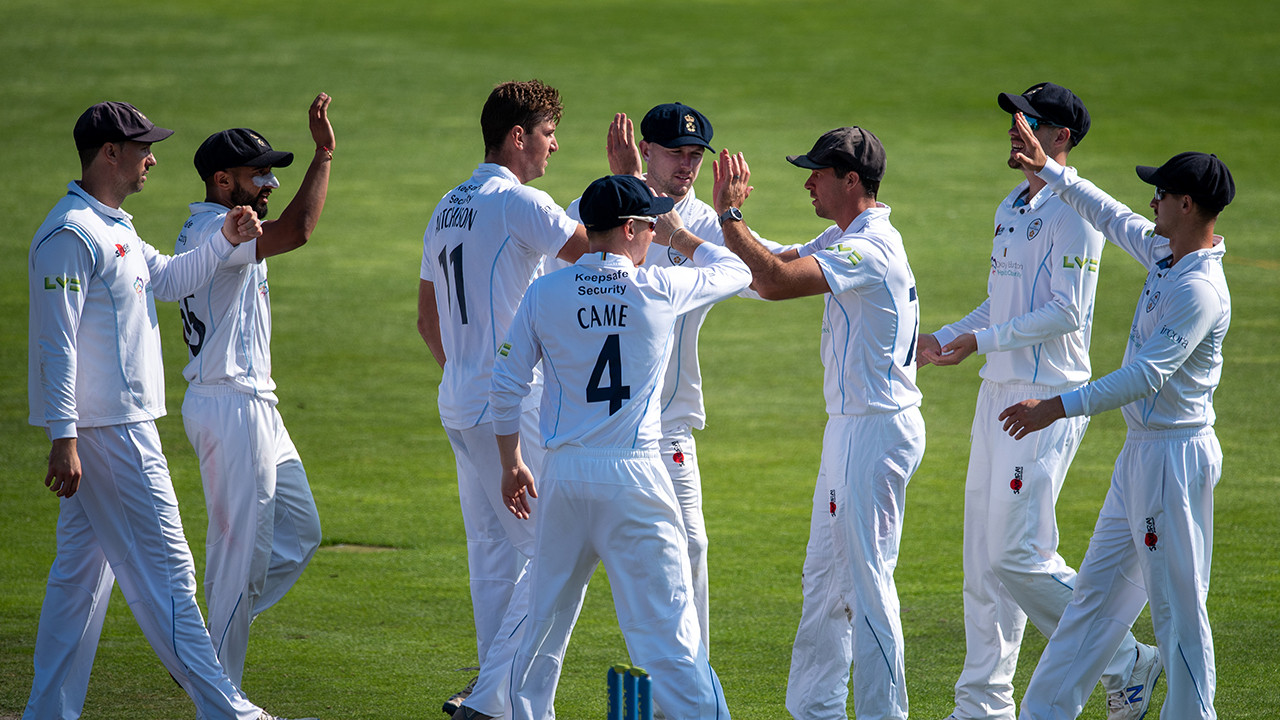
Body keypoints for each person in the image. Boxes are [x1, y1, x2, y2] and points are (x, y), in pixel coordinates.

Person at [25, 101, 309, 720]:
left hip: (117, 426)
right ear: (109, 154)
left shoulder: (115, 226)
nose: (151, 158)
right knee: (171, 576)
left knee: (78, 582)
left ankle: (48, 711)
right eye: (141, 148)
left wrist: (228, 239)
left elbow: (174, 278)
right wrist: (63, 436)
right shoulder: (70, 234)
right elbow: (57, 340)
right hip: (110, 433)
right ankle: (227, 711)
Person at [916, 82, 1160, 720]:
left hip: (1046, 401)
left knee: (1016, 556)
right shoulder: (1011, 205)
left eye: (1030, 121)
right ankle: (982, 705)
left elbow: (1065, 312)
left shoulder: (1074, 211)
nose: (1015, 128)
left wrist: (980, 337)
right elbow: (1001, 303)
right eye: (1015, 118)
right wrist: (947, 337)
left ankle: (1125, 659)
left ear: (1061, 138)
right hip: (995, 392)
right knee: (982, 560)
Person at [484, 173, 749, 720]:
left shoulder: (545, 291)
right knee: (666, 632)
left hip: (563, 474)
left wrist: (511, 462)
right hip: (634, 476)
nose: (655, 235)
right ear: (630, 229)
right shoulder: (658, 288)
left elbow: (506, 384)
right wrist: (683, 238)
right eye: (650, 226)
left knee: (540, 627)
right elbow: (737, 268)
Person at [1000, 115, 1234, 720]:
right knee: (1094, 602)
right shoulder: (1165, 251)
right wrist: (1048, 169)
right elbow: (1105, 211)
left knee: (1180, 609)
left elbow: (1145, 376)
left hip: (1175, 459)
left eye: (1160, 192)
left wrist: (1054, 407)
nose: (1150, 200)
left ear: (1187, 203)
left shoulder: (1200, 290)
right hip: (1141, 456)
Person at [717, 127, 925, 720]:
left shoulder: (871, 247)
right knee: (825, 579)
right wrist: (687, 231)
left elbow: (777, 282)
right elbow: (772, 263)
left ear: (851, 180)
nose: (807, 180)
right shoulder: (846, 235)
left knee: (866, 585)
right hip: (851, 429)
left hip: (877, 429)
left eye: (817, 172)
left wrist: (730, 215)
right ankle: (816, 710)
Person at [563, 102, 764, 653]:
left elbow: (762, 275)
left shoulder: (702, 223)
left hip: (667, 429)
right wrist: (627, 188)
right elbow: (550, 272)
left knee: (691, 546)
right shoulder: (599, 207)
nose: (688, 164)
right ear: (644, 149)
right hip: (595, 427)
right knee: (556, 562)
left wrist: (730, 219)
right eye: (676, 151)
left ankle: (689, 694)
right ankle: (500, 688)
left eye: (697, 154)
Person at [417, 79, 590, 717]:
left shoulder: (445, 206)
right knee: (557, 553)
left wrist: (466, 374)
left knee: (494, 556)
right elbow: (602, 260)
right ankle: (492, 699)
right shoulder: (522, 203)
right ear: (518, 137)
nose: (553, 147)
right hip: (510, 406)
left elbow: (427, 321)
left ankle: (507, 706)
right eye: (547, 134)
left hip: (458, 401)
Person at [173, 93, 333, 688]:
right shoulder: (217, 227)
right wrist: (323, 155)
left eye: (272, 173)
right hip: (230, 404)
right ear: (222, 180)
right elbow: (300, 230)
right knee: (240, 560)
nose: (268, 183)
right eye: (257, 174)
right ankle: (220, 690)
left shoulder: (226, 226)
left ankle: (202, 649)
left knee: (298, 531)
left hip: (254, 404)